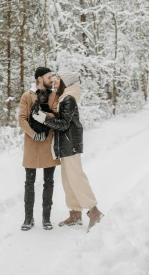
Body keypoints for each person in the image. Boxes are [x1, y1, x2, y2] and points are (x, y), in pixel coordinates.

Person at [32, 70, 104, 232]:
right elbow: (61, 120)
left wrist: (44, 119)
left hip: (70, 144)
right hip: (66, 144)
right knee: (68, 180)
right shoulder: (65, 97)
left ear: (66, 82)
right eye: (55, 79)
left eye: (58, 79)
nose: (55, 81)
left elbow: (64, 124)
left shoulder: (69, 99)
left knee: (76, 178)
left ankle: (94, 212)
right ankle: (75, 214)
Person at [18, 66, 60, 231]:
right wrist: (33, 133)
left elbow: (57, 115)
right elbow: (21, 119)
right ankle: (28, 219)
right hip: (32, 143)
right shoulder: (27, 96)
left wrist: (44, 116)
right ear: (39, 79)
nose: (52, 80)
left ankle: (46, 218)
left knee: (49, 182)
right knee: (29, 182)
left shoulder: (54, 95)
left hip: (49, 144)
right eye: (49, 77)